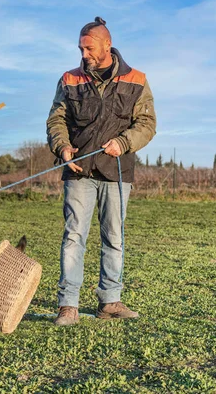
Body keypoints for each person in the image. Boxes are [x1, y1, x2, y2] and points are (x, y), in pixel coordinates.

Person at [46, 17, 156, 326]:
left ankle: (110, 300)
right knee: (74, 237)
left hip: (117, 172)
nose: (83, 54)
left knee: (114, 238)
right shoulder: (69, 79)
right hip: (78, 171)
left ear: (107, 45)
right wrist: (63, 148)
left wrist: (124, 142)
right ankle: (68, 305)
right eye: (80, 48)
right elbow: (56, 120)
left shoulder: (137, 79)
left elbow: (147, 124)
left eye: (89, 48)